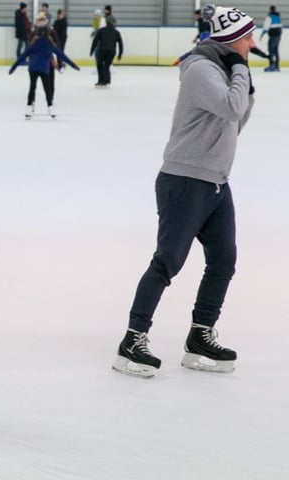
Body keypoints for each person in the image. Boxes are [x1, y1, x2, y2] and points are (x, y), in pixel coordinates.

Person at [113, 4, 256, 379]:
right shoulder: (200, 69)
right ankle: (132, 339)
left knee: (223, 261)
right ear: (231, 39)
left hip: (216, 183)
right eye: (247, 37)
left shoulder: (222, 69)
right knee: (168, 262)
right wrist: (240, 71)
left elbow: (238, 119)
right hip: (185, 181)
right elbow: (230, 107)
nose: (252, 43)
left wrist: (241, 78)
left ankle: (199, 336)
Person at [9, 14, 79, 119]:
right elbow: (61, 55)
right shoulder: (49, 45)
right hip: (44, 69)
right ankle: (50, 109)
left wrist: (13, 67)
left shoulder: (34, 44)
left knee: (32, 87)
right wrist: (73, 65)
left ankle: (29, 110)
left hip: (33, 68)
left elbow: (22, 56)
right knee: (47, 89)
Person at [90, 16, 123, 87]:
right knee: (107, 66)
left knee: (100, 65)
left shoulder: (101, 30)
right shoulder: (116, 32)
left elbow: (95, 41)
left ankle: (101, 81)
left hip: (102, 50)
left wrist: (91, 50)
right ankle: (107, 81)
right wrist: (120, 54)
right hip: (111, 52)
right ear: (114, 23)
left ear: (106, 22)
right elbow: (120, 44)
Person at [261, 6, 282, 71]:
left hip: (272, 35)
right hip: (278, 35)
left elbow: (266, 27)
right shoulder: (278, 17)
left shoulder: (269, 17)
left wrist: (262, 35)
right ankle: (277, 66)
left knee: (271, 50)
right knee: (276, 50)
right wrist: (280, 36)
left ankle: (272, 65)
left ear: (270, 10)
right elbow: (280, 26)